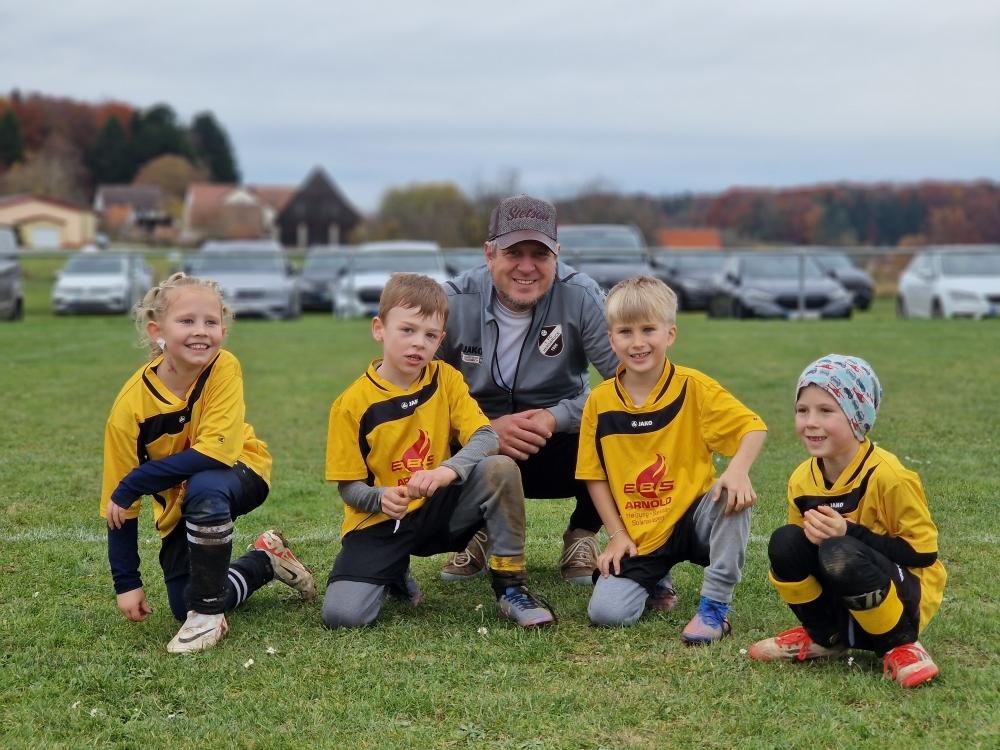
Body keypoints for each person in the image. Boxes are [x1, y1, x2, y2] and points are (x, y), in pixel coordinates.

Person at [321, 273, 554, 629]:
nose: (419, 344)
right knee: (343, 616)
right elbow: (349, 488)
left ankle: (511, 587)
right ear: (379, 329)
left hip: (438, 509)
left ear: (441, 340)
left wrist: (447, 471)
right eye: (407, 330)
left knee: (501, 468)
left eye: (430, 335)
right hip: (382, 521)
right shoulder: (350, 405)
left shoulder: (446, 378)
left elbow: (486, 436)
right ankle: (392, 573)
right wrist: (380, 498)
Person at [100, 272, 316, 654]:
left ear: (223, 330)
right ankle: (265, 562)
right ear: (156, 331)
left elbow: (215, 453)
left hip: (242, 470)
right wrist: (127, 583)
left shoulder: (223, 366)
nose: (201, 331)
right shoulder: (129, 409)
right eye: (186, 321)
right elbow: (119, 510)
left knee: (206, 486)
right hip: (178, 508)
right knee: (183, 602)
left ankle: (209, 618)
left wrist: (138, 479)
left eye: (211, 322)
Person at [438, 194, 619, 584]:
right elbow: (422, 392)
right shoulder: (452, 301)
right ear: (489, 254)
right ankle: (477, 528)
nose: (527, 266)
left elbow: (630, 384)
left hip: (557, 443)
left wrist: (558, 416)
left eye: (539, 254)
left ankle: (583, 533)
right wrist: (484, 431)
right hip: (478, 448)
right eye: (513, 252)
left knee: (621, 427)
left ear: (557, 255)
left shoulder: (582, 296)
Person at [577, 276, 767, 643]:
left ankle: (715, 608)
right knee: (606, 614)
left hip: (693, 520)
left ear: (670, 334)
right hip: (640, 531)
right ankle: (655, 579)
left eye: (649, 329)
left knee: (732, 497)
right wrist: (616, 536)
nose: (638, 342)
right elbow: (594, 476)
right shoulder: (599, 402)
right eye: (625, 331)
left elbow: (752, 428)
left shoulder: (694, 388)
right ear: (611, 338)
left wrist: (738, 472)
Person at [749, 354, 946, 688]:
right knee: (785, 541)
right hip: (844, 588)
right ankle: (825, 637)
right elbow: (801, 553)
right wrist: (812, 539)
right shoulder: (801, 479)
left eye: (826, 411)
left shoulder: (890, 476)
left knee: (840, 550)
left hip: (903, 598)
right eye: (802, 410)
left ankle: (901, 646)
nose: (810, 422)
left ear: (858, 416)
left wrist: (849, 531)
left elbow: (923, 554)